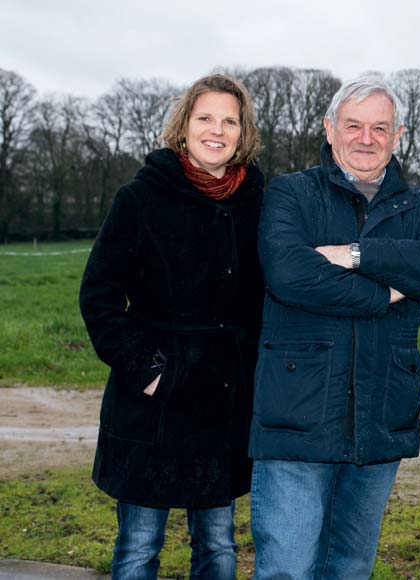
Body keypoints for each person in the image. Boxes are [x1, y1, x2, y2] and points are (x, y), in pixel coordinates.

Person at [248, 74, 420, 579]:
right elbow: (290, 274)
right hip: (297, 414)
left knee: (350, 568)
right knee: (287, 569)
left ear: (399, 134)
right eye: (353, 125)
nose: (366, 138)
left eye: (380, 127)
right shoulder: (292, 194)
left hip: (379, 414)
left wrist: (355, 254)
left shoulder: (419, 207)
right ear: (329, 128)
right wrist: (383, 292)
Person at [79, 74, 265, 578]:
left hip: (224, 402)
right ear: (183, 126)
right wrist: (147, 368)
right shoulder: (140, 197)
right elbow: (98, 295)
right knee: (139, 547)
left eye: (230, 120)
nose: (217, 129)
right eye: (205, 117)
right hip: (153, 401)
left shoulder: (258, 202)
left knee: (219, 547)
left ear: (242, 132)